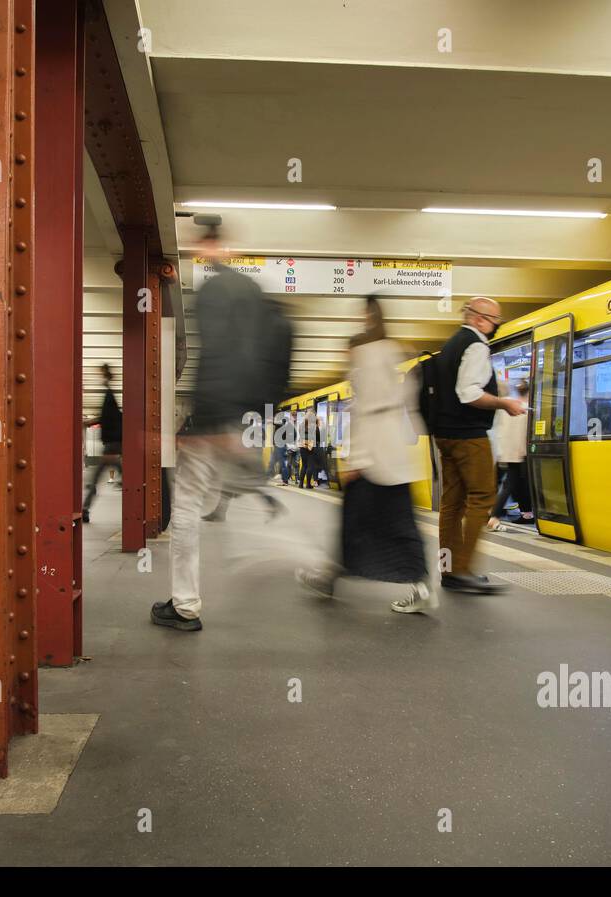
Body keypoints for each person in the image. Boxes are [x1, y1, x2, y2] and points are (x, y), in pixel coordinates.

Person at [151, 221, 291, 631]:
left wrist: (204, 421)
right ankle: (298, 552)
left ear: (208, 246)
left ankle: (185, 604)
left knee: (187, 506)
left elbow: (216, 355)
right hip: (247, 415)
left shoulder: (213, 292)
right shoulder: (256, 294)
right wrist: (259, 413)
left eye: (200, 242)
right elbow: (275, 354)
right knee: (243, 486)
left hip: (217, 414)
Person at [295, 298, 435, 612]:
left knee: (353, 521)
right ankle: (421, 583)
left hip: (373, 457)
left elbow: (365, 411)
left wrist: (355, 459)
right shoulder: (396, 350)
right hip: (396, 455)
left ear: (367, 316)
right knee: (401, 523)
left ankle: (329, 577)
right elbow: (405, 406)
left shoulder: (366, 355)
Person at [429, 297, 526, 593]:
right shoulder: (476, 345)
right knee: (482, 497)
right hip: (468, 435)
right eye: (496, 320)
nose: (497, 325)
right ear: (481, 318)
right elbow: (469, 394)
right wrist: (503, 403)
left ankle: (448, 569)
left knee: (451, 502)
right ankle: (463, 569)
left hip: (445, 434)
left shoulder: (450, 344)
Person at [488, 378, 532, 529]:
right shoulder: (524, 408)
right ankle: (494, 516)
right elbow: (524, 435)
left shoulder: (503, 408)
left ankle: (525, 513)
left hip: (504, 452)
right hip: (518, 453)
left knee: (508, 483)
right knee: (511, 484)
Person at [81, 363, 122, 523]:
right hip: (113, 444)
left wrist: (91, 422)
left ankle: (85, 508)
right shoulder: (110, 395)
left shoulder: (109, 395)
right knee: (100, 476)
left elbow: (108, 419)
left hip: (111, 445)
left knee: (96, 477)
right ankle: (85, 508)